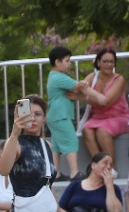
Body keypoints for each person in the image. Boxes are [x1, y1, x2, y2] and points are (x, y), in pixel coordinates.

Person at [81, 48, 129, 167]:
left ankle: (110, 167)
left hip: (119, 117)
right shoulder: (92, 77)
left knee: (102, 131)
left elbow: (105, 102)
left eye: (111, 62)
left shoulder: (119, 79)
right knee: (86, 129)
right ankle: (98, 166)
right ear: (98, 62)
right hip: (97, 117)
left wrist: (82, 97)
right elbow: (81, 87)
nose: (109, 65)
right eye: (105, 61)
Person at [44, 47, 83, 179]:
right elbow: (78, 86)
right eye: (67, 61)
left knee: (56, 147)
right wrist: (86, 82)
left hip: (55, 116)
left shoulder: (53, 76)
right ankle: (74, 172)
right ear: (57, 62)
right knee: (71, 141)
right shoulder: (59, 77)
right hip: (60, 116)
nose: (69, 64)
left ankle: (56, 173)